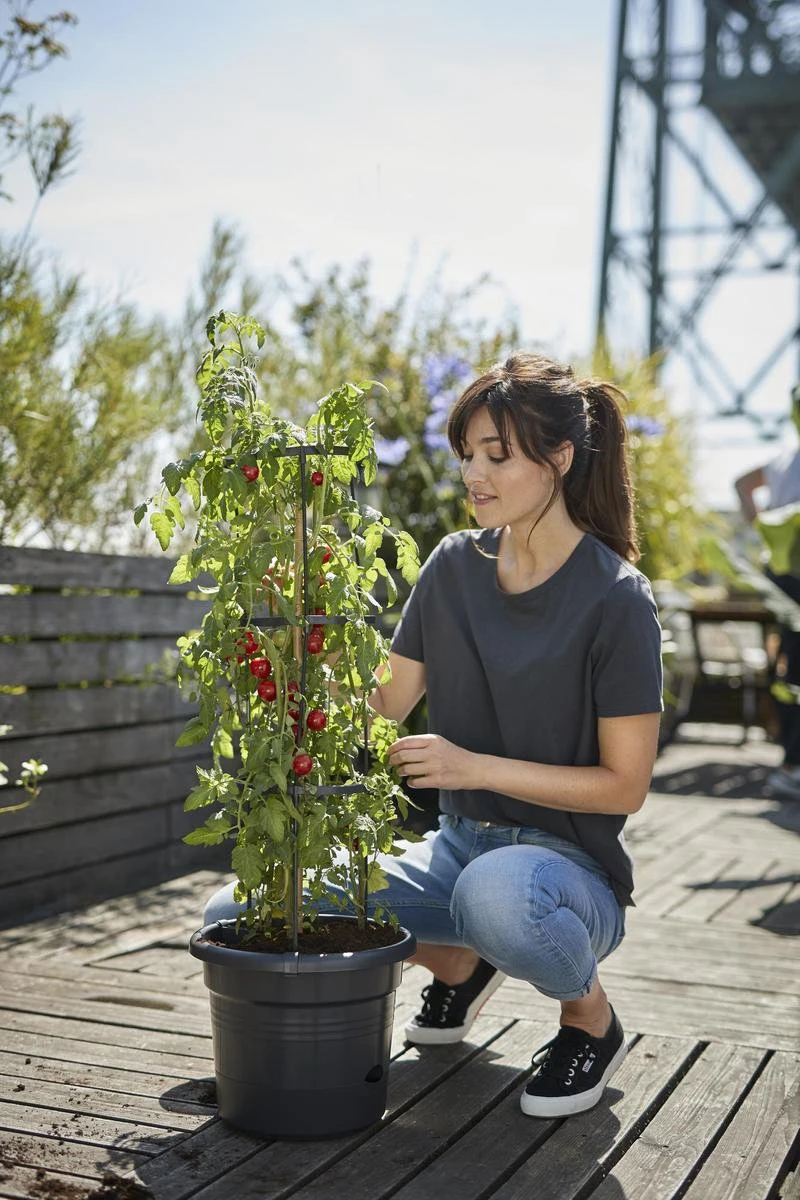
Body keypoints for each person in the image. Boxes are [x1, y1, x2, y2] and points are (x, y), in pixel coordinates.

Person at [204, 351, 663, 1120]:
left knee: (497, 896)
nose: (473, 475)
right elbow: (384, 700)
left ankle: (590, 1017)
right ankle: (459, 961)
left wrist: (471, 763)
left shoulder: (617, 599)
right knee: (235, 915)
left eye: (496, 455)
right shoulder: (453, 566)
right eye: (465, 457)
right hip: (456, 852)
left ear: (559, 457)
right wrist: (296, 633)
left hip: (564, 877)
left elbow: (626, 786)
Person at [735, 382, 800, 798]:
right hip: (791, 573)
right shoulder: (789, 459)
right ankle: (792, 764)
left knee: (788, 665)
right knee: (792, 668)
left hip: (780, 571)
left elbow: (743, 484)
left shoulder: (783, 458)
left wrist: (761, 533)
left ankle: (791, 762)